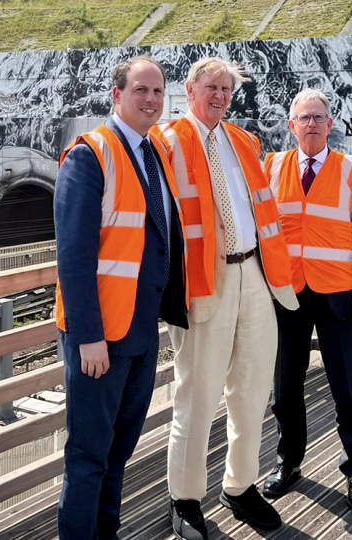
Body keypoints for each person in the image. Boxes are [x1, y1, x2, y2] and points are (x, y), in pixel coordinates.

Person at [153, 57, 299, 540]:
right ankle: (186, 499)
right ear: (190, 89)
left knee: (254, 389)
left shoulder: (243, 140)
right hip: (203, 282)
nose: (220, 96)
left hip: (253, 271)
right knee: (196, 396)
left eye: (227, 89)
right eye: (211, 87)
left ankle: (240, 485)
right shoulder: (166, 140)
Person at [54, 56, 188, 540]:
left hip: (140, 332)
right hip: (100, 338)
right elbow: (73, 256)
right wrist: (88, 337)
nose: (150, 100)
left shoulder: (153, 153)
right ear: (117, 94)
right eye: (140, 90)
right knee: (88, 457)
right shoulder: (90, 155)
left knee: (118, 451)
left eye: (157, 92)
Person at [262, 89, 352, 511]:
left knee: (348, 389)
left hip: (339, 297)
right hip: (286, 297)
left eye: (318, 117)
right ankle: (288, 462)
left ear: (330, 125)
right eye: (303, 117)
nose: (311, 123)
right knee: (285, 389)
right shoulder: (271, 167)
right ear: (290, 125)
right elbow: (261, 233)